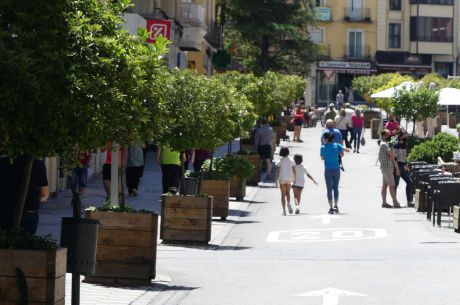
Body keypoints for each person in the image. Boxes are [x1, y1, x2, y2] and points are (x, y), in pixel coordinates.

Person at [0, 156, 49, 234]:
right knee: (27, 243)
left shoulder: (2, 162)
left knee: (8, 242)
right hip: (29, 212)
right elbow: (44, 194)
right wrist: (36, 200)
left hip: (6, 212)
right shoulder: (38, 164)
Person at [320, 132, 348, 214]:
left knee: (329, 189)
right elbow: (342, 154)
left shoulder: (323, 147)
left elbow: (322, 158)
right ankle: (336, 205)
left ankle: (331, 207)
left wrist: (328, 156)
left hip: (328, 169)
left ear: (326, 139)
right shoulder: (337, 145)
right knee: (336, 187)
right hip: (336, 169)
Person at [379, 129, 401, 208]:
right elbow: (392, 155)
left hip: (385, 167)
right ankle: (395, 202)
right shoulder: (384, 144)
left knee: (385, 185)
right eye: (388, 135)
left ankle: (384, 203)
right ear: (384, 136)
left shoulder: (384, 144)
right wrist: (397, 168)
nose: (390, 136)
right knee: (392, 185)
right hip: (387, 167)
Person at [392, 130, 414, 207]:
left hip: (403, 167)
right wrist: (397, 169)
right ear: (401, 137)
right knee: (396, 184)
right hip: (397, 166)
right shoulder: (396, 145)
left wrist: (406, 164)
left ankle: (409, 201)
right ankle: (395, 201)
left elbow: (404, 157)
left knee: (410, 182)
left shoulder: (404, 145)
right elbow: (394, 158)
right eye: (405, 135)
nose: (407, 137)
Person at [275, 147, 295, 216]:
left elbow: (277, 172)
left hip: (282, 179)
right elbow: (294, 170)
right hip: (289, 178)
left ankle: (284, 210)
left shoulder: (279, 161)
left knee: (283, 195)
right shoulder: (291, 160)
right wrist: (294, 178)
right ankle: (288, 203)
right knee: (288, 193)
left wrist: (276, 180)